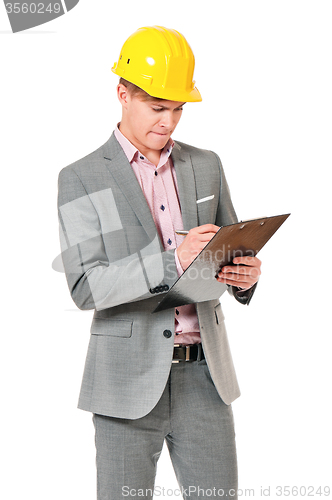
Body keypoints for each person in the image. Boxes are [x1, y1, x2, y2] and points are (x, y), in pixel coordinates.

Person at [57, 25, 261, 500]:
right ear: (122, 94)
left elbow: (232, 247)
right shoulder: (84, 178)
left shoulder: (206, 164)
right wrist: (173, 261)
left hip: (205, 379)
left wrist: (245, 277)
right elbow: (87, 285)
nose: (168, 122)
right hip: (124, 383)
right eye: (156, 107)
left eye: (177, 109)